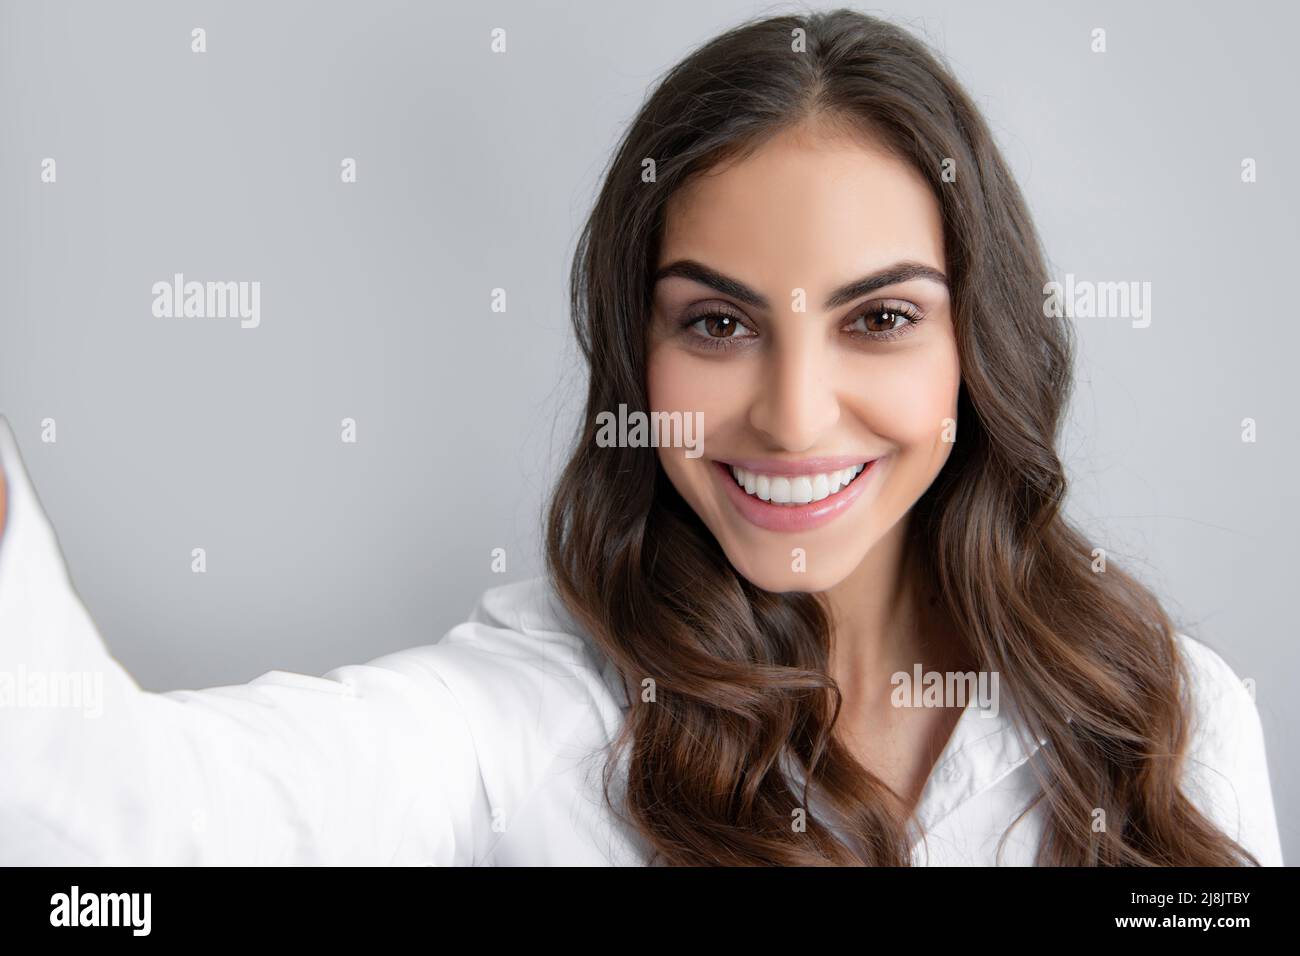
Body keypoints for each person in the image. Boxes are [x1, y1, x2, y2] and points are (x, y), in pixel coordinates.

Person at [0, 9, 1283, 866]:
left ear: (976, 344)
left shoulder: (1167, 722)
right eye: (717, 323)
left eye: (878, 317)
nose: (790, 413)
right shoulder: (539, 721)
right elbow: (122, 821)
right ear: (636, 349)